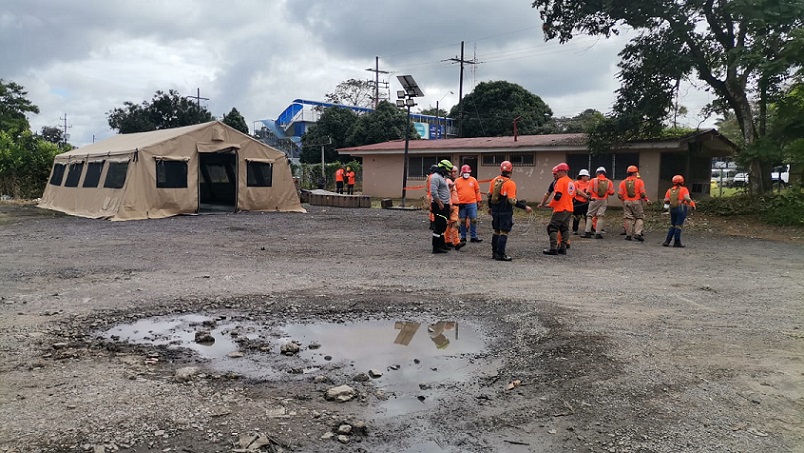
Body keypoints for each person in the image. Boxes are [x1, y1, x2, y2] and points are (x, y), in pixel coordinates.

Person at [487, 160, 532, 261]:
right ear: (511, 171)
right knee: (504, 232)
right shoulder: (510, 183)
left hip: (495, 210)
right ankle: (501, 254)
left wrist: (490, 208)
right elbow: (512, 201)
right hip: (505, 210)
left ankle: (494, 253)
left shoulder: (494, 180)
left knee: (496, 231)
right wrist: (525, 207)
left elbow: (489, 196)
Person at [544, 163, 575, 255]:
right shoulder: (571, 182)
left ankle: (553, 248)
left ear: (562, 171)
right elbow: (573, 195)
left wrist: (550, 204)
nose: (556, 174)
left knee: (552, 228)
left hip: (560, 208)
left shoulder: (561, 181)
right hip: (569, 208)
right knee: (564, 229)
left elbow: (558, 195)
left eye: (557, 172)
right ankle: (563, 247)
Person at [618, 165, 651, 241]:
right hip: (637, 202)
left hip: (626, 202)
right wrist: (647, 200)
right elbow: (642, 193)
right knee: (639, 217)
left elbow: (619, 195)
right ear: (634, 173)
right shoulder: (639, 181)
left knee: (628, 218)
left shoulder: (623, 182)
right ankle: (637, 233)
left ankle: (628, 235)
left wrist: (624, 201)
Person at [580, 167, 615, 239]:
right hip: (603, 200)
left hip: (594, 200)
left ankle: (587, 232)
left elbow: (588, 192)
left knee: (589, 215)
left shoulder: (593, 181)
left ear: (597, 173)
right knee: (600, 216)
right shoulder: (609, 182)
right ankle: (598, 233)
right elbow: (612, 193)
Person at [663, 175, 696, 248]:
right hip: (681, 207)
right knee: (678, 225)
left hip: (672, 208)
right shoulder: (684, 189)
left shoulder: (670, 190)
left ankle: (667, 241)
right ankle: (677, 242)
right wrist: (692, 204)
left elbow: (666, 200)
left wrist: (666, 207)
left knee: (673, 225)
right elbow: (687, 198)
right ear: (682, 181)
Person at [454, 164, 483, 244]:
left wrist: (479, 201)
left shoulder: (473, 180)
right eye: (465, 172)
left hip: (472, 203)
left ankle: (473, 236)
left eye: (468, 172)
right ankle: (463, 237)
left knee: (473, 219)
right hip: (461, 204)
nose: (466, 174)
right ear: (462, 173)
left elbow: (477, 191)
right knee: (462, 220)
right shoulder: (457, 181)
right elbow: (454, 192)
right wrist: (456, 202)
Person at [430, 160, 454, 254]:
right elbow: (433, 192)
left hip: (444, 204)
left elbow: (441, 188)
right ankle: (436, 247)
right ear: (443, 168)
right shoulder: (435, 177)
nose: (448, 173)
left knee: (443, 225)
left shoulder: (441, 177)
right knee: (439, 226)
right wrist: (440, 203)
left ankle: (442, 244)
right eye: (447, 170)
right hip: (439, 205)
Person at [444, 167, 465, 250]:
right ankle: (456, 242)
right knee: (455, 224)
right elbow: (447, 194)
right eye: (454, 172)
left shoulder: (449, 181)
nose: (455, 174)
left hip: (453, 205)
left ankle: (447, 240)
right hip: (453, 206)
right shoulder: (449, 182)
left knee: (449, 224)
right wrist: (450, 205)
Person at [572, 169, 592, 234]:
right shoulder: (576, 183)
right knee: (577, 216)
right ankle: (575, 229)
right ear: (582, 176)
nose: (588, 177)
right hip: (578, 201)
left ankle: (588, 229)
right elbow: (576, 191)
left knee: (587, 216)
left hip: (586, 202)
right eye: (586, 176)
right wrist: (584, 195)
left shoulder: (589, 183)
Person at [425, 164, 438, 230]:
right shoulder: (436, 177)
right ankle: (434, 224)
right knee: (435, 210)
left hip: (429, 195)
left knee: (431, 210)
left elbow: (426, 188)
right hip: (434, 196)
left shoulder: (429, 177)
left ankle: (431, 224)